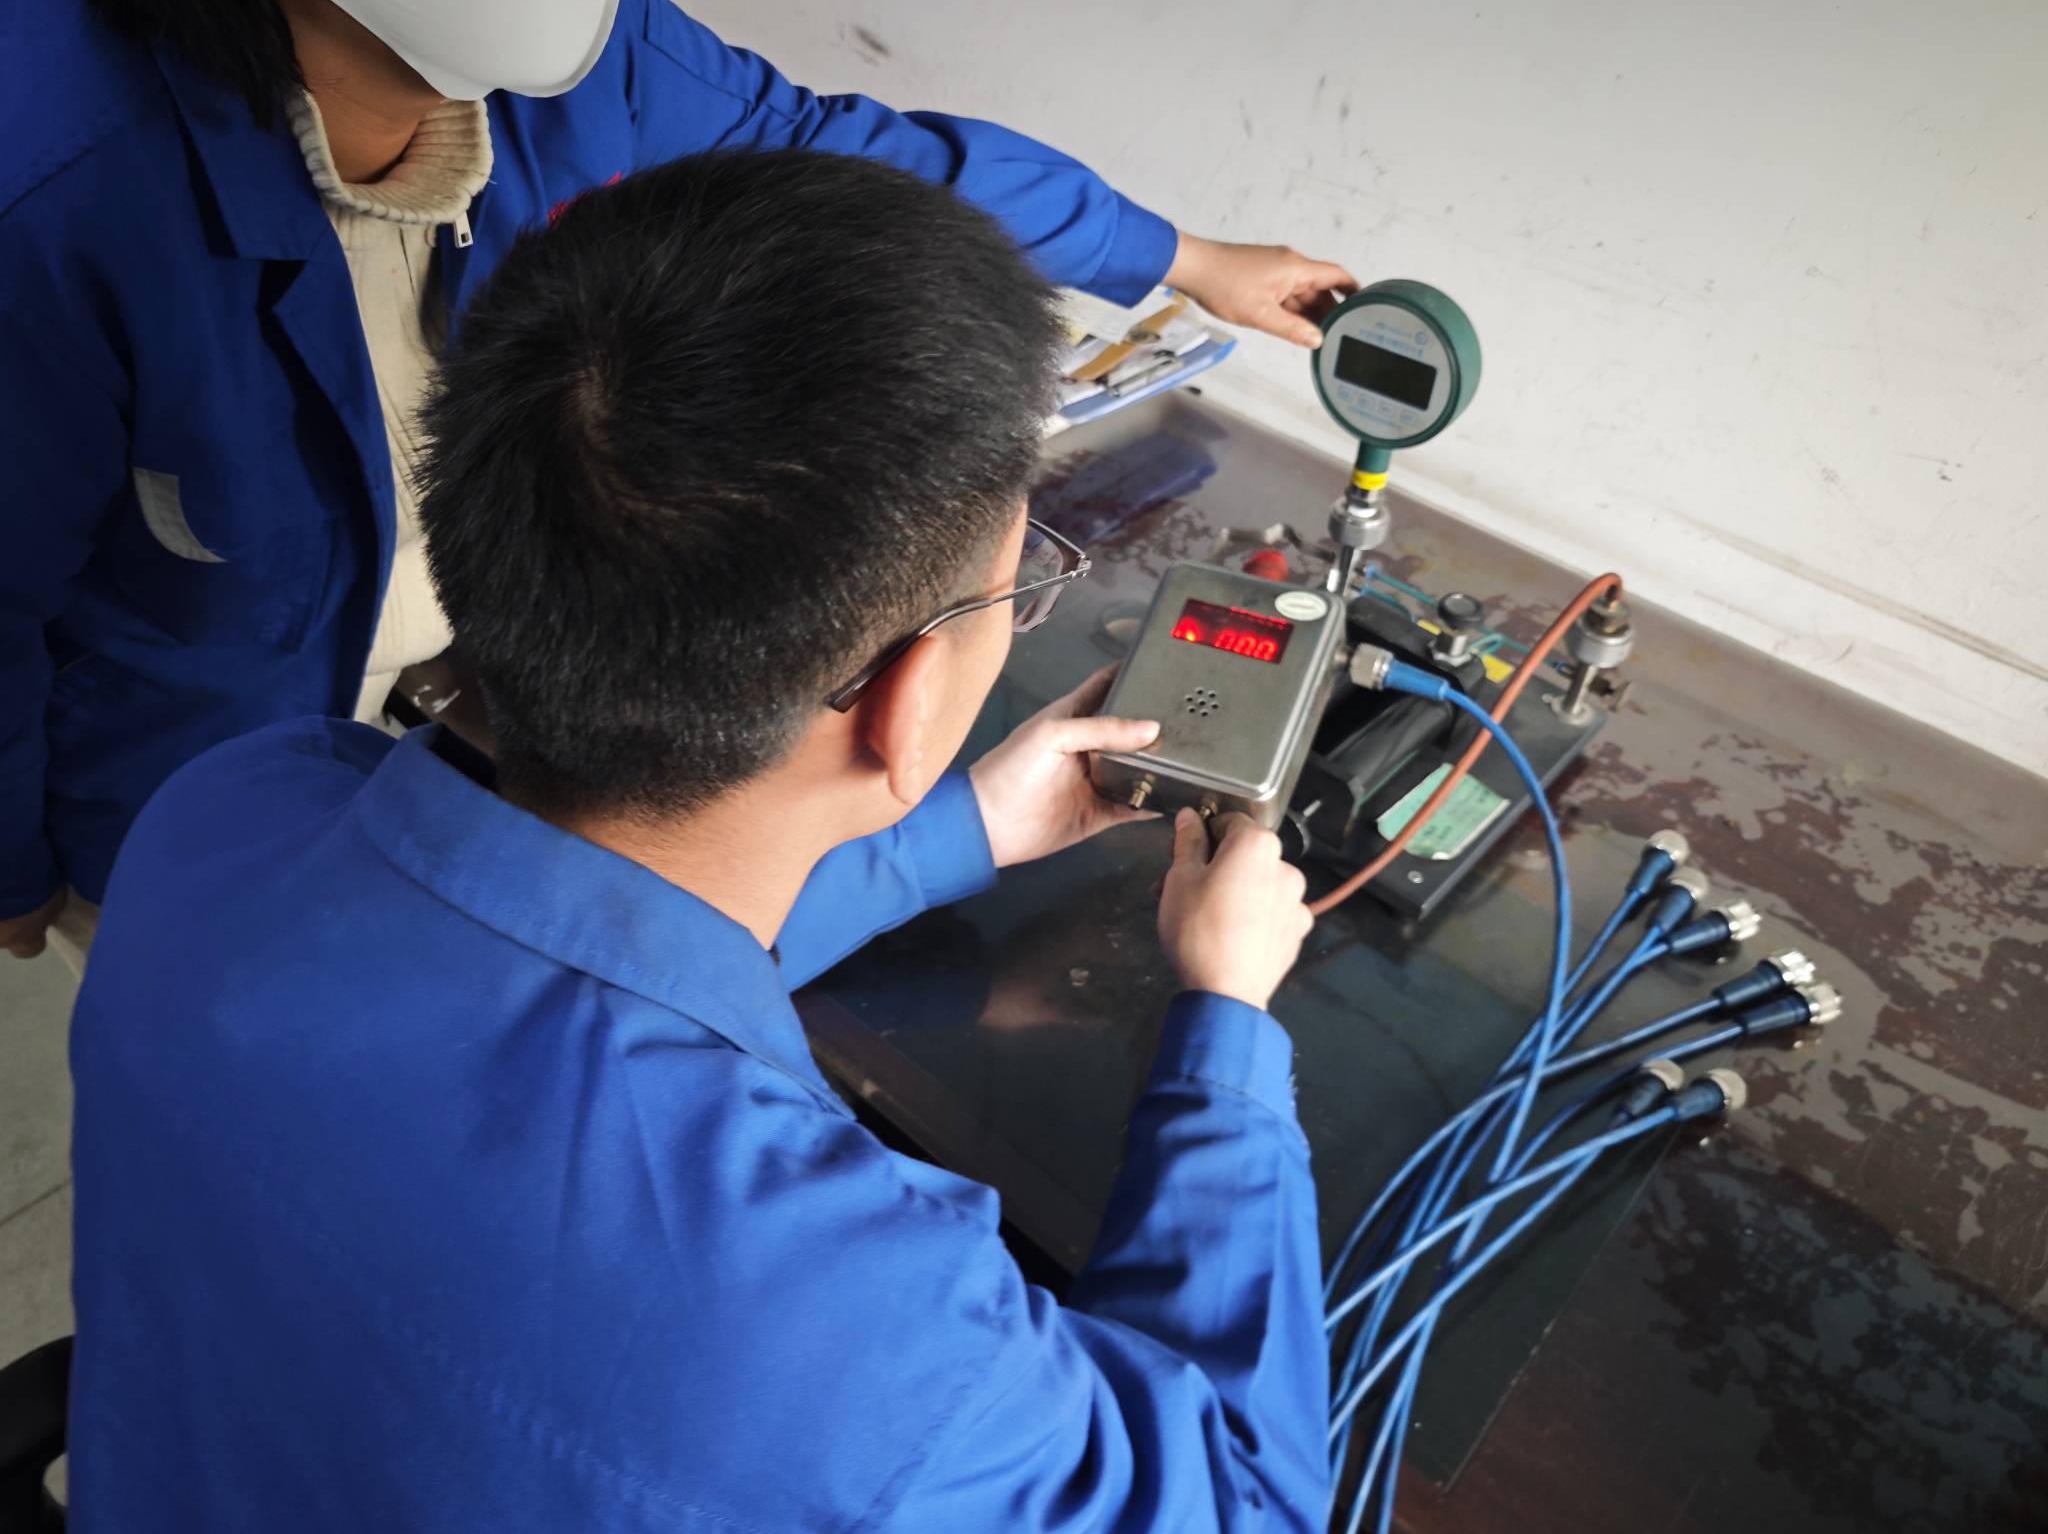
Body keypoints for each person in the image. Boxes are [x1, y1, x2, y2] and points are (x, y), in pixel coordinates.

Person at [68, 149, 1326, 1532]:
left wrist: (956, 831)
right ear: (909, 700)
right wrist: (1225, 1032)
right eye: (1017, 586)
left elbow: (574, 938)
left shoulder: (226, 816)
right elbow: (1247, 1500)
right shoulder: (861, 1333)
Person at [0, 0, 1356, 968]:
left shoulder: (580, 57)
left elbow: (846, 148)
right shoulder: (54, 192)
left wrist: (1180, 258)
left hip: (458, 718)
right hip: (193, 777)